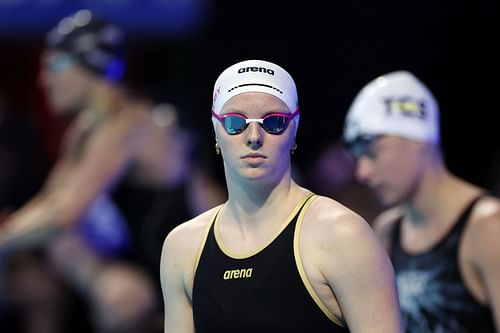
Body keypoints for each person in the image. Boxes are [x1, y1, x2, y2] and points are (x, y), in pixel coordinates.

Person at [0, 9, 225, 333]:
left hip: (201, 281)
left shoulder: (129, 125)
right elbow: (50, 202)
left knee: (117, 291)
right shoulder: (85, 131)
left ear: (89, 65)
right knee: (56, 250)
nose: (43, 79)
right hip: (154, 271)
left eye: (54, 65)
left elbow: (63, 212)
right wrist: (9, 231)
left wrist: (5, 237)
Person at [160, 59, 402, 332]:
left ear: (294, 129)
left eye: (273, 122)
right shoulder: (182, 248)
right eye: (235, 122)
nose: (253, 136)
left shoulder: (342, 236)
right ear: (216, 129)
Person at [342, 70, 500, 332]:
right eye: (357, 158)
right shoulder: (388, 231)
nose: (362, 173)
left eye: (371, 152)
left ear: (417, 139)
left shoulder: (488, 228)